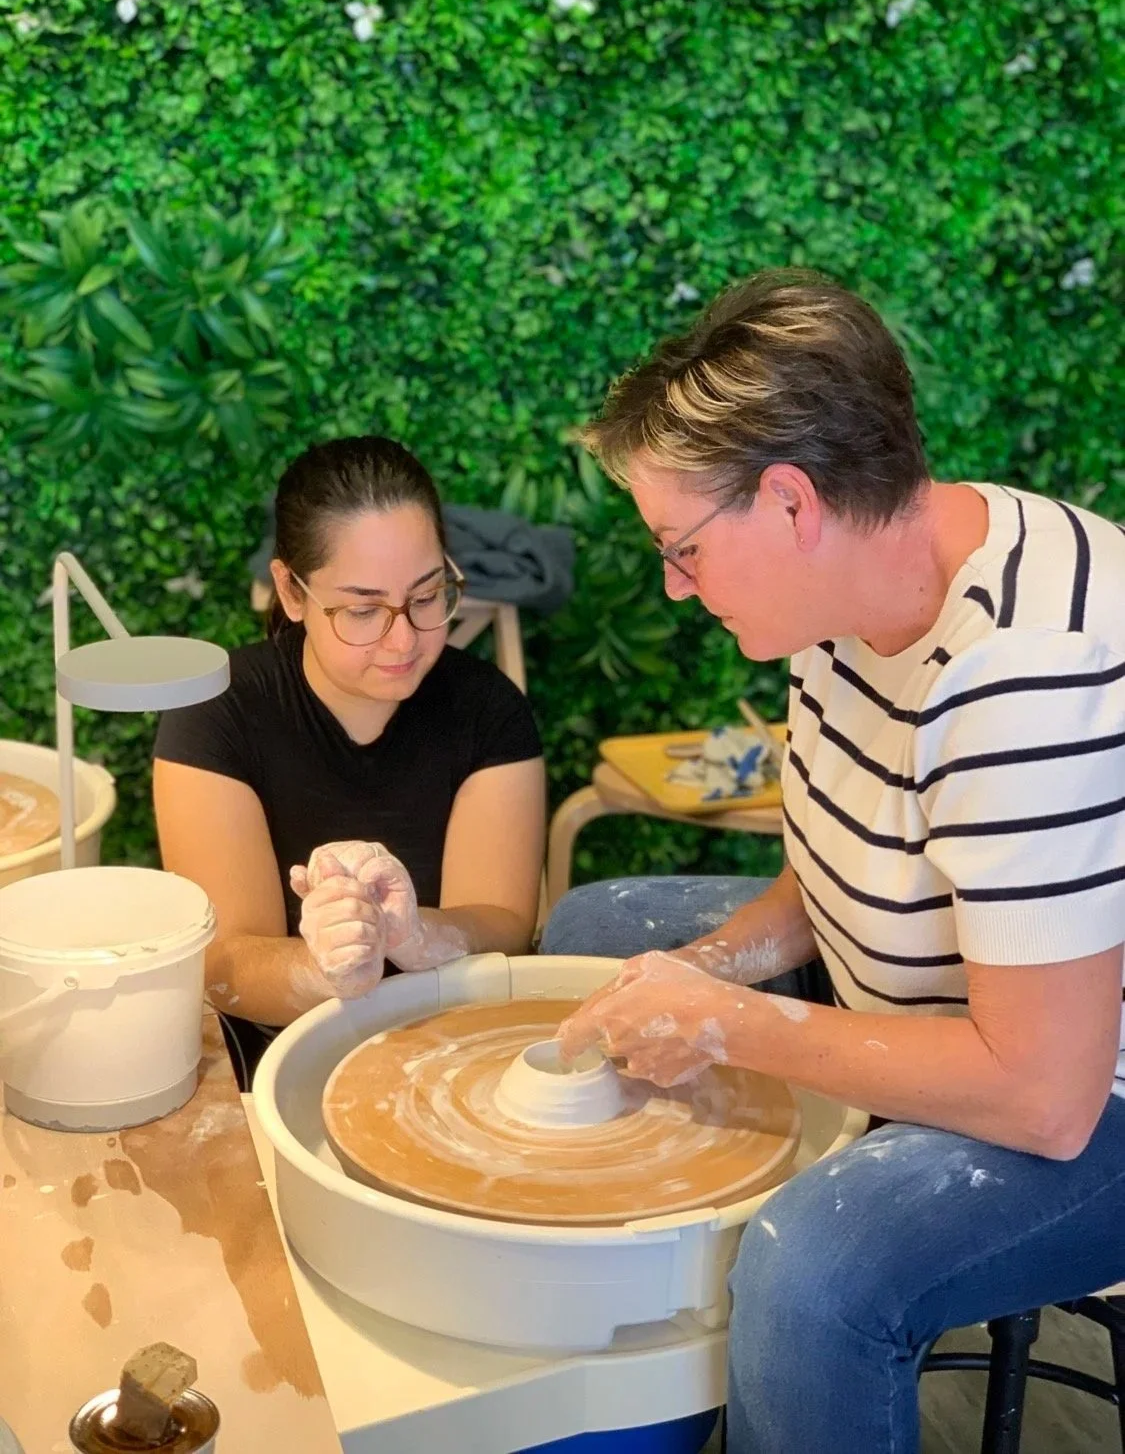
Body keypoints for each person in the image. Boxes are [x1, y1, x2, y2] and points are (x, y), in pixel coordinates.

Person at [547, 270, 1125, 1454]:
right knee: (601, 937)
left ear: (789, 501)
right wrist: (703, 972)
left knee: (810, 1270)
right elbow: (835, 871)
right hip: (949, 1005)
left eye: (681, 548)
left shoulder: (1026, 673)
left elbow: (1044, 1094)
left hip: (1087, 1095)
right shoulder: (853, 585)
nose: (673, 584)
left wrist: (730, 1024)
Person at [154, 436, 546, 1083]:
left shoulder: (489, 710)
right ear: (292, 591)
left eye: (427, 596)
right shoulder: (217, 714)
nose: (403, 639)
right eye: (363, 610)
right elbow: (224, 963)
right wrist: (322, 970)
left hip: (450, 1051)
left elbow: (504, 924)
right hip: (275, 1059)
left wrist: (420, 936)